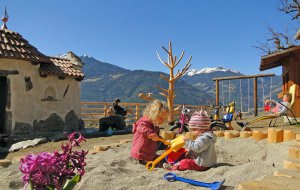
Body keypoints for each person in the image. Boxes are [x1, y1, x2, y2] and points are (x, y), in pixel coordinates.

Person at [130, 100, 169, 164]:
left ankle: (152, 157)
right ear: (154, 114)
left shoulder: (155, 124)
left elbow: (155, 136)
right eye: (161, 118)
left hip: (149, 151)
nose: (162, 121)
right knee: (145, 156)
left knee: (157, 154)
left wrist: (160, 138)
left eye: (164, 119)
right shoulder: (144, 122)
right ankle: (146, 159)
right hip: (140, 152)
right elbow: (140, 128)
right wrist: (150, 133)